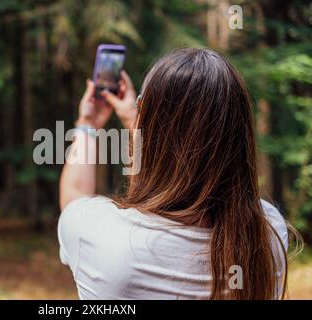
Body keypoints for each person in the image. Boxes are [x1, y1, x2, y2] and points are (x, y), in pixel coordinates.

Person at [58, 48, 289, 299]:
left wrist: (88, 125)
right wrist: (139, 118)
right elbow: (184, 165)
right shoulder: (268, 232)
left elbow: (75, 196)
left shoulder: (110, 240)